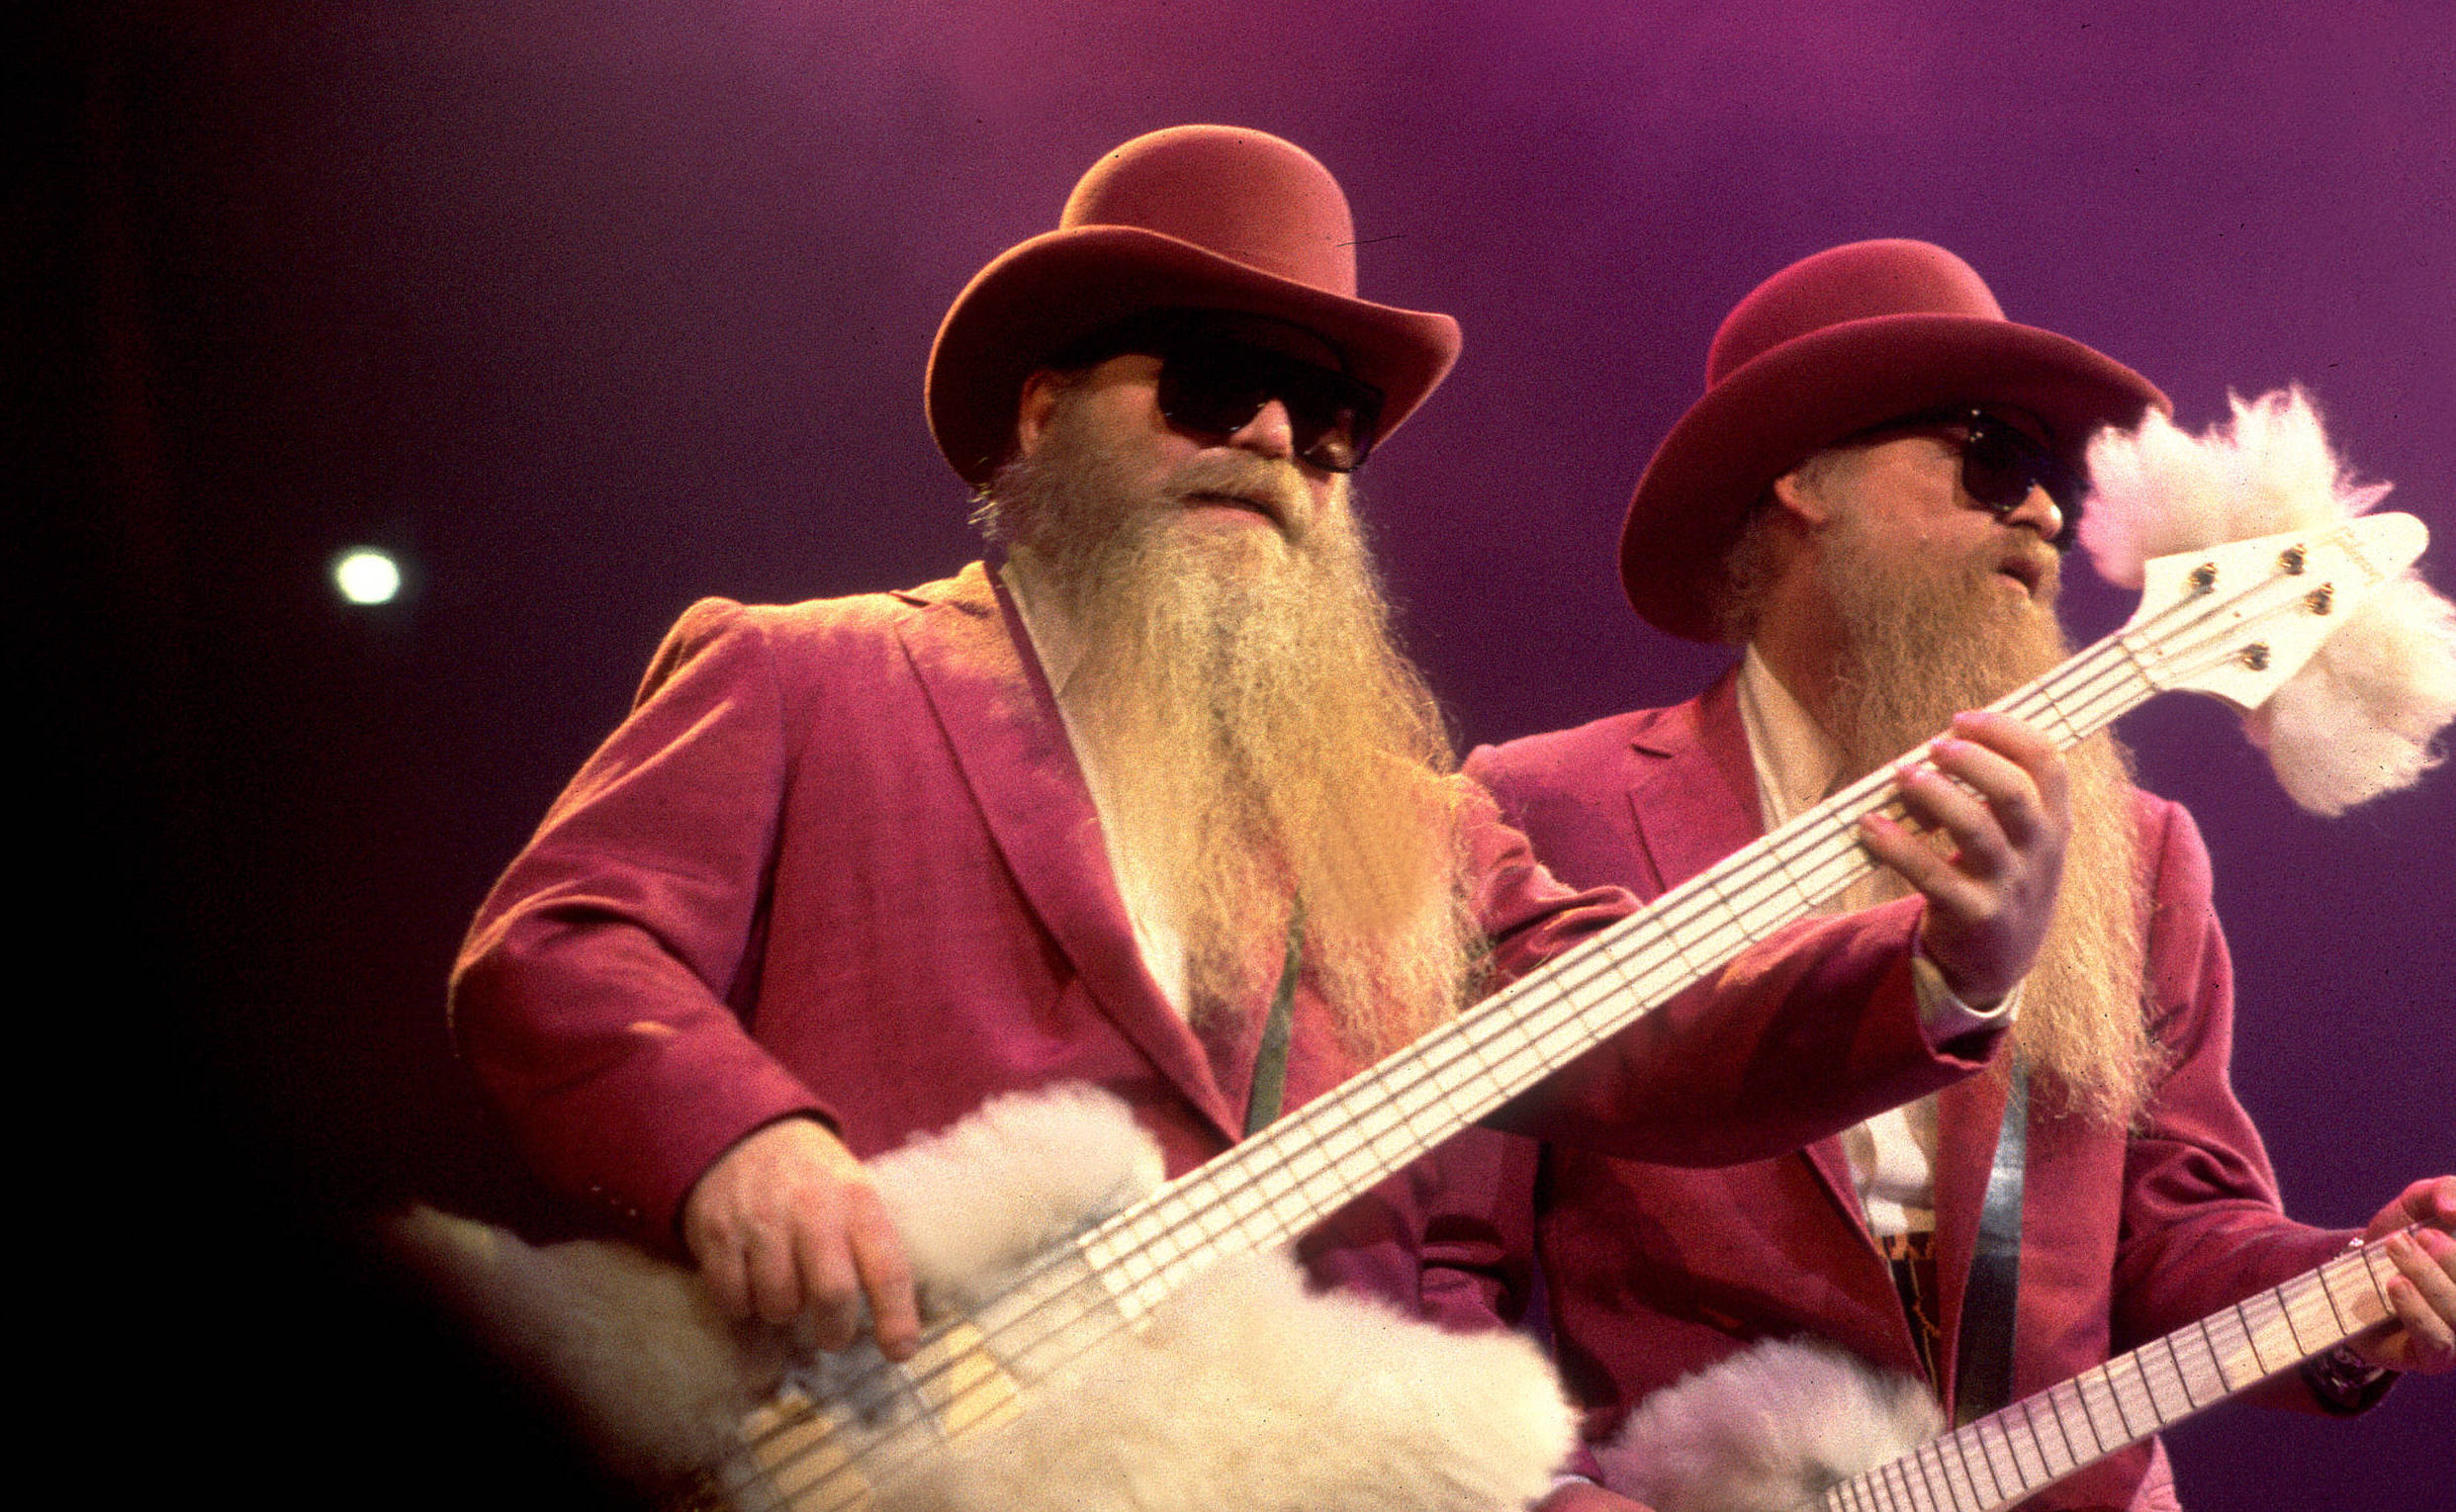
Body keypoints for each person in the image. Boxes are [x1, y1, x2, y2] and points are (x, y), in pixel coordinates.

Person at [450, 137, 2066, 1497]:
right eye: (1219, 386)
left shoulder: (1413, 829)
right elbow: (566, 943)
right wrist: (746, 1143)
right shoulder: (807, 673)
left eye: (1328, 417)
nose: (1280, 443)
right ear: (1041, 415)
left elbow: (1653, 1021)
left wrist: (1946, 972)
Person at [1425, 239, 2456, 1512]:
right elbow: (1438, 1269)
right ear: (1802, 477)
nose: (2038, 514)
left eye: (2053, 489)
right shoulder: (1541, 806)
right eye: (1989, 460)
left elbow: (2175, 1225)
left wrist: (2354, 1286)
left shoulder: (2136, 849)